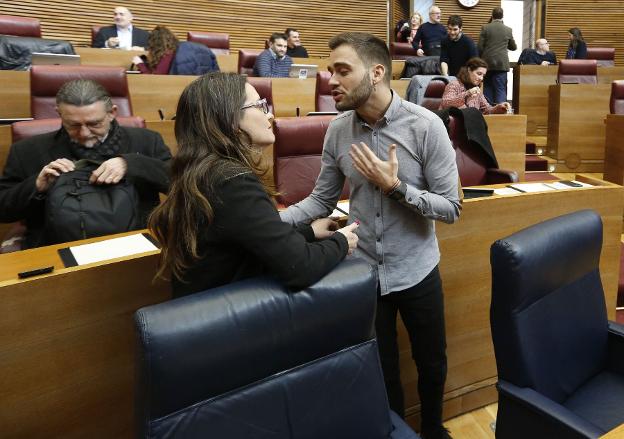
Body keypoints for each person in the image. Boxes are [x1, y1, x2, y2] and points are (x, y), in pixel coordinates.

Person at [280, 32, 460, 439]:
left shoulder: (426, 126)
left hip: (417, 269)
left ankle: (433, 429)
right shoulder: (336, 131)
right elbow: (319, 203)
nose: (332, 80)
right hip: (365, 272)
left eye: (343, 70)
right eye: (330, 71)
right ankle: (394, 431)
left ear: (377, 72)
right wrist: (265, 226)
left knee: (432, 363)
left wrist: (395, 188)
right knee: (382, 368)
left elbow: (452, 208)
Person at [148, 72, 358, 297]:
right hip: (229, 319)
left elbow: (250, 239)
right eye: (260, 106)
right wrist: (341, 242)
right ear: (230, 119)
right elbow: (301, 267)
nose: (271, 115)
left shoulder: (205, 172)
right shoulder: (232, 181)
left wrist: (308, 232)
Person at [0, 79, 171, 249]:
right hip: (57, 246)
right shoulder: (27, 151)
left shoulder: (147, 141)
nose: (84, 133)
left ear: (112, 113)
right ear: (59, 114)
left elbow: (179, 183)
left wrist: (132, 164)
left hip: (137, 241)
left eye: (94, 124)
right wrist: (36, 185)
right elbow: (3, 209)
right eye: (73, 125)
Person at [131, 26, 220, 75]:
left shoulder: (168, 54)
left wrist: (140, 64)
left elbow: (157, 80)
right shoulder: (187, 49)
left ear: (155, 43)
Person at [440, 57, 510, 114]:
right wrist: (468, 93)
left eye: (483, 75)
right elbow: (446, 102)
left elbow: (487, 110)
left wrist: (500, 107)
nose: (481, 78)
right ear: (469, 70)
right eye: (479, 74)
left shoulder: (476, 90)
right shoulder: (454, 84)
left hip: (469, 124)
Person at [478, 7, 516, 104]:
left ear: (492, 15)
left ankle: (488, 113)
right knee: (500, 89)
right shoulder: (508, 30)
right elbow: (513, 47)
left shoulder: (485, 28)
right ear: (502, 16)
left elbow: (479, 47)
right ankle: (501, 114)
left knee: (487, 88)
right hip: (501, 64)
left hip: (487, 64)